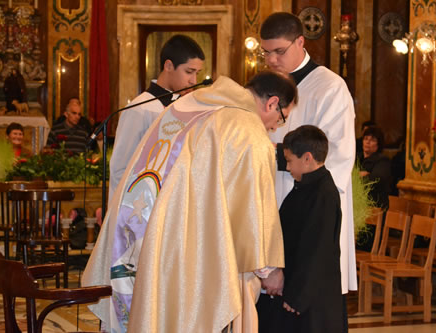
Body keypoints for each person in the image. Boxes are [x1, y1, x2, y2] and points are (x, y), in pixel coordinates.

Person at [82, 71, 298, 333]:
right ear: (272, 103)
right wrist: (269, 269)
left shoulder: (187, 105)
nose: (275, 126)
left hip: (138, 232)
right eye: (281, 118)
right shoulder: (248, 131)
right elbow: (253, 209)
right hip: (188, 249)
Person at [260, 12, 357, 295]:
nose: (272, 60)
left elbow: (336, 153)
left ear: (300, 42)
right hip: (271, 198)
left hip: (310, 208)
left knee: (304, 293)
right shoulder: (266, 87)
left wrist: (269, 155)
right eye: (266, 53)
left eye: (279, 51)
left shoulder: (330, 87)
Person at [257, 125, 345, 332]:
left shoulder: (323, 193)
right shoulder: (306, 186)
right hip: (297, 288)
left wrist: (298, 296)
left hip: (309, 299)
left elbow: (317, 250)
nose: (287, 168)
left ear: (307, 158)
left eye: (289, 161)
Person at [109, 34, 205, 198]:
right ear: (168, 66)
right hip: (143, 207)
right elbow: (120, 169)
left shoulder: (188, 108)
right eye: (189, 72)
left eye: (198, 73)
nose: (193, 80)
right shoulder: (141, 108)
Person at [356, 126, 392, 209]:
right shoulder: (357, 157)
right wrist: (362, 175)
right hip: (358, 203)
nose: (368, 142)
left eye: (372, 140)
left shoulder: (383, 161)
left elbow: (375, 180)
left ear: (378, 144)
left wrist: (357, 176)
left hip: (375, 205)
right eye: (365, 138)